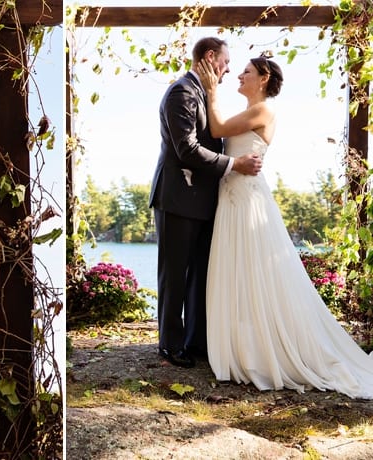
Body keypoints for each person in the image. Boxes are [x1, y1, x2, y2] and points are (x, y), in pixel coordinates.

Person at [198, 55, 373, 398]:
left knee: (253, 271)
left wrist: (210, 90)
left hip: (247, 201)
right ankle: (243, 346)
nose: (239, 77)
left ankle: (262, 350)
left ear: (263, 78)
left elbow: (217, 129)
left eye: (246, 72)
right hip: (232, 196)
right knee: (239, 272)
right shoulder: (251, 110)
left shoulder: (263, 110)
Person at [150, 37, 264, 368]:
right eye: (226, 63)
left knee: (200, 272)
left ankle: (195, 342)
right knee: (174, 274)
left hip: (204, 201)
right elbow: (185, 148)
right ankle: (169, 346)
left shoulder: (203, 95)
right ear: (211, 57)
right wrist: (234, 165)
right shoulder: (181, 92)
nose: (228, 70)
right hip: (178, 197)